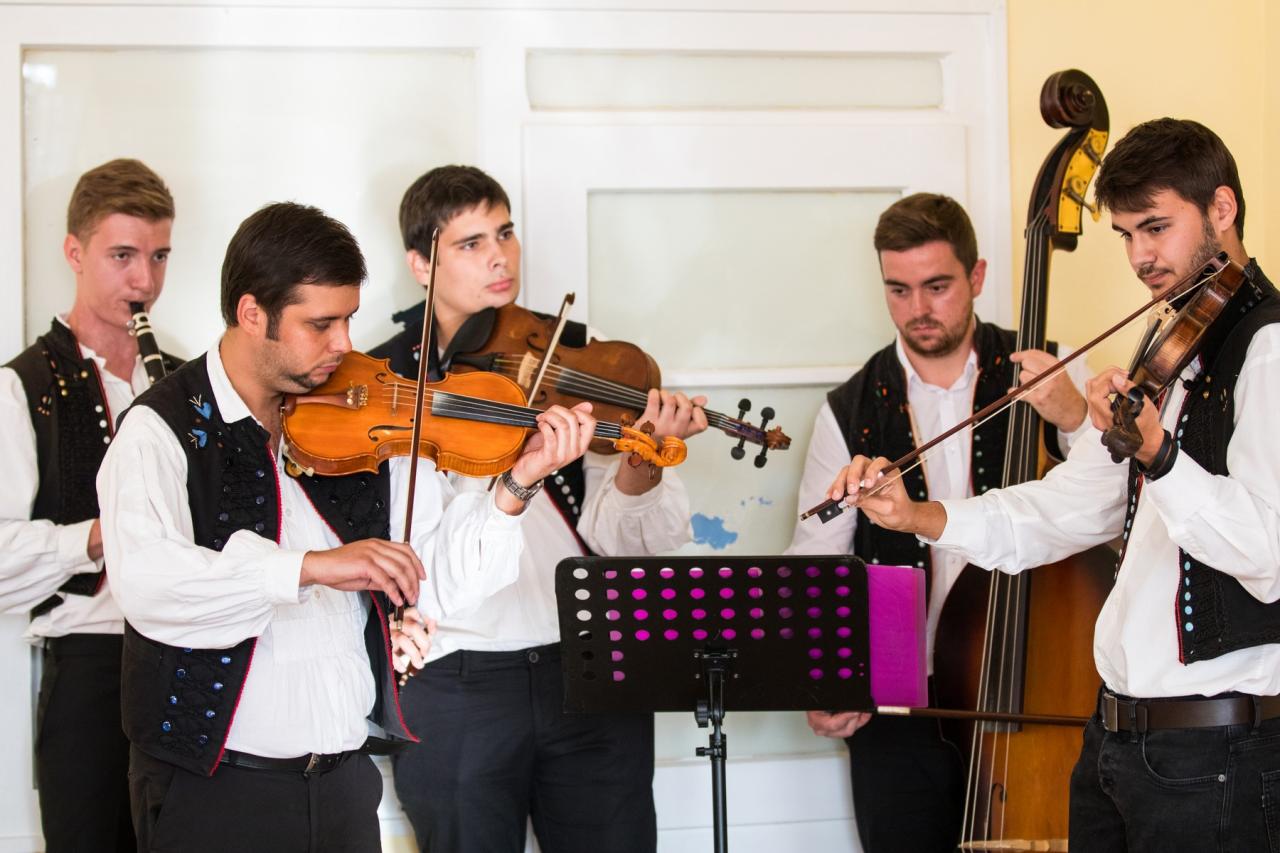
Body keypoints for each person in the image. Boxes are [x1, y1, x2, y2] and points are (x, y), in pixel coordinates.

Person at [829, 119, 1280, 851]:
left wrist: (1160, 455)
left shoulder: (1268, 347)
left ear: (1221, 208)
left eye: (1155, 227)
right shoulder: (1173, 341)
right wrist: (919, 515)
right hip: (1116, 739)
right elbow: (1070, 505)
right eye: (1126, 234)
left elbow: (1267, 552)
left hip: (1214, 750)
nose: (1139, 257)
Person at [97, 201, 595, 853]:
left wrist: (516, 485)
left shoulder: (363, 419)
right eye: (321, 324)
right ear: (252, 313)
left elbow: (433, 584)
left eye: (349, 319)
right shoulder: (157, 428)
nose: (345, 345)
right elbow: (148, 584)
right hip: (214, 792)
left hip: (344, 789)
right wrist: (309, 568)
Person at [371, 165, 707, 853]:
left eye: (505, 233)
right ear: (421, 265)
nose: (499, 256)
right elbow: (425, 570)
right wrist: (515, 472)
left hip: (588, 666)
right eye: (470, 243)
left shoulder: (573, 353)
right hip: (455, 684)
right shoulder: (392, 382)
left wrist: (644, 459)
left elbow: (620, 545)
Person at [785, 192, 1090, 852]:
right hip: (904, 699)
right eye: (898, 290)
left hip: (1038, 681)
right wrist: (824, 678)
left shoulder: (1051, 371)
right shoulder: (849, 407)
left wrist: (1075, 417)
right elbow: (820, 559)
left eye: (937, 286)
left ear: (976, 276)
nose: (917, 308)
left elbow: (1109, 494)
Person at [0, 158, 176, 853]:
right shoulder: (21, 388)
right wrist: (107, 535)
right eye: (122, 256)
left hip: (183, 659)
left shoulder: (181, 381)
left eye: (159, 257)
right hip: (89, 667)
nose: (145, 282)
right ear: (74, 252)